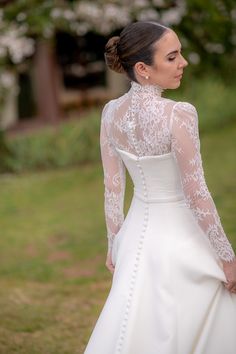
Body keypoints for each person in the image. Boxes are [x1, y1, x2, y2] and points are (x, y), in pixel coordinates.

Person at [83, 21, 236, 354]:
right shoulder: (178, 114)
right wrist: (227, 258)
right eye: (172, 57)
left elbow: (112, 186)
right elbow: (196, 194)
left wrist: (115, 243)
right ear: (143, 68)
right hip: (181, 236)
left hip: (137, 237)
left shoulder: (110, 114)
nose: (183, 63)